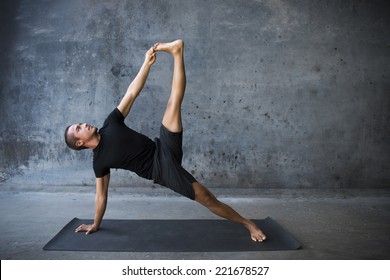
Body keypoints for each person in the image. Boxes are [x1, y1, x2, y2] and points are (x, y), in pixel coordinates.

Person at [64, 40, 266, 242]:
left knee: (173, 102)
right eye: (79, 128)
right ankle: (248, 224)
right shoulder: (99, 162)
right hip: (160, 169)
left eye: (81, 123)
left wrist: (147, 63)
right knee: (206, 197)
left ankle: (177, 51)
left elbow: (132, 92)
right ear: (80, 143)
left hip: (162, 146)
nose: (84, 124)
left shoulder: (110, 123)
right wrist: (96, 223)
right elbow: (101, 196)